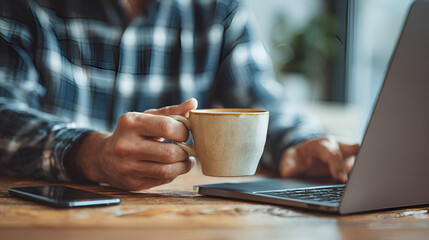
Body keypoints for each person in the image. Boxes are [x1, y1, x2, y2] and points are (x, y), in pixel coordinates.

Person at [0, 0, 358, 191]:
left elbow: (260, 99)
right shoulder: (23, 7)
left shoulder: (220, 9)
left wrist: (302, 140)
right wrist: (91, 152)